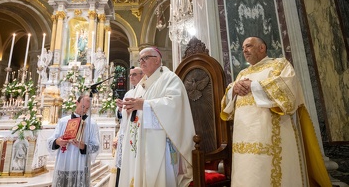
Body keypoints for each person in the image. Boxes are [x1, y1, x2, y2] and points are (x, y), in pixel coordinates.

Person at [221, 36, 331, 186]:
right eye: (243, 48)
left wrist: (254, 86)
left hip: (269, 135)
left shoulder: (279, 65)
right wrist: (233, 90)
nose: (244, 50)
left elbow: (287, 90)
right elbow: (227, 105)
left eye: (248, 46)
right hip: (243, 138)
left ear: (262, 48)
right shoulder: (242, 73)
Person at [118, 47, 195, 187]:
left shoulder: (169, 78)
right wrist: (127, 109)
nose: (141, 62)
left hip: (160, 142)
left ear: (157, 59)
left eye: (145, 58)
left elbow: (174, 104)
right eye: (140, 59)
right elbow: (135, 108)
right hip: (139, 141)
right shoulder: (141, 85)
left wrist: (145, 105)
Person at [47, 95, 100, 187]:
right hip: (64, 161)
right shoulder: (63, 121)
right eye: (82, 106)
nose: (84, 110)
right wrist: (58, 142)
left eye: (87, 108)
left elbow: (96, 146)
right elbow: (50, 141)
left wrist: (83, 146)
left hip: (81, 164)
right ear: (77, 103)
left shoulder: (92, 123)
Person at [113, 66, 143, 187]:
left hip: (137, 133)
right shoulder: (129, 93)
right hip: (127, 134)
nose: (131, 77)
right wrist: (121, 109)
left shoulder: (146, 90)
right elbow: (122, 116)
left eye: (134, 74)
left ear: (142, 75)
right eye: (130, 75)